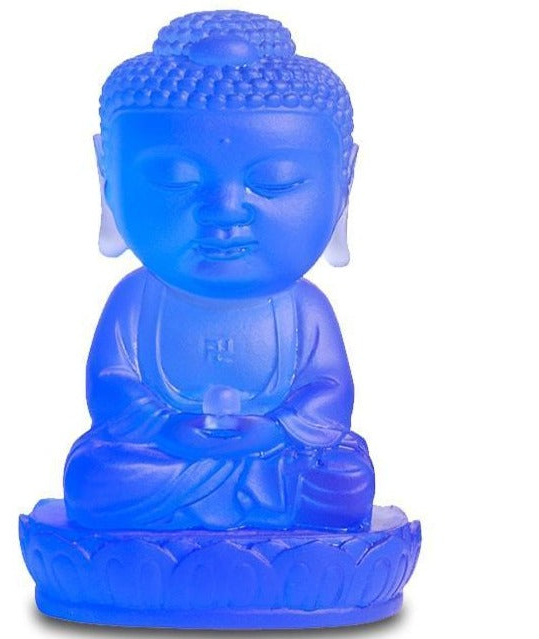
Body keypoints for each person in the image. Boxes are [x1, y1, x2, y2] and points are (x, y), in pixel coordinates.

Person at [63, 10, 375, 532]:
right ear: (107, 176)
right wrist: (165, 428)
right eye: (175, 178)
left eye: (275, 181)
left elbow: (328, 395)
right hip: (163, 456)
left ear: (343, 180)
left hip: (273, 457)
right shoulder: (136, 301)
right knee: (96, 478)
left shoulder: (303, 308)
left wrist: (276, 431)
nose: (225, 210)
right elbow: (112, 387)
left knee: (343, 480)